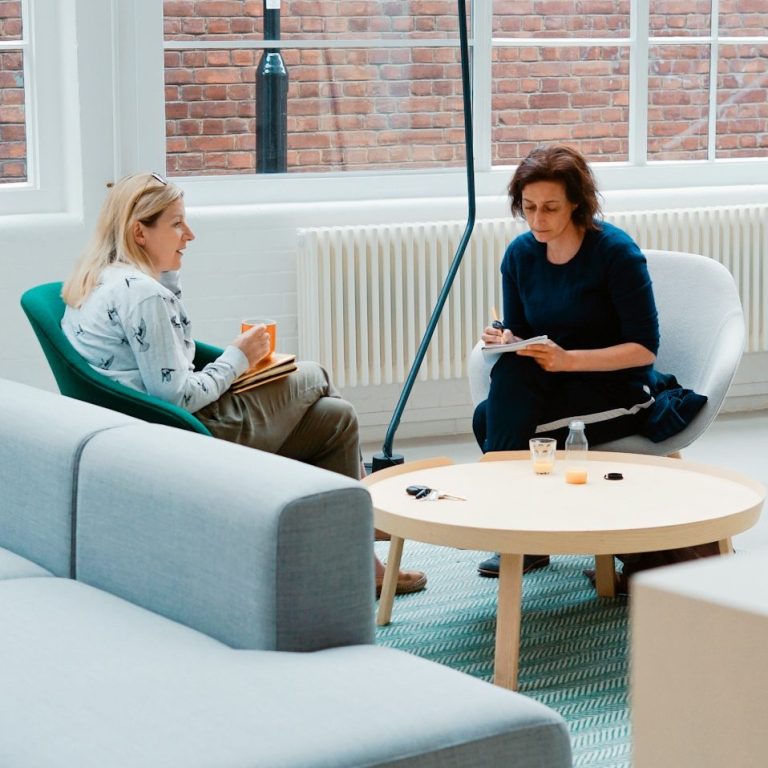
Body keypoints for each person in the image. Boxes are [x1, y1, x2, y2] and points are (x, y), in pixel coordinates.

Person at [61, 171, 426, 597]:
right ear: (139, 232)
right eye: (177, 224)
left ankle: (358, 558)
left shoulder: (103, 279)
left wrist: (171, 281)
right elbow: (176, 395)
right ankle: (367, 518)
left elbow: (167, 365)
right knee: (315, 374)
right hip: (190, 433)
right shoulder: (144, 296)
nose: (190, 234)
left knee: (336, 418)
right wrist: (238, 357)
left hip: (151, 430)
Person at [473, 145, 714, 586]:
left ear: (576, 203)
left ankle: (516, 527)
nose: (537, 219)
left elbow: (644, 349)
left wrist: (568, 360)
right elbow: (523, 333)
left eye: (550, 207)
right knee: (491, 407)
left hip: (618, 389)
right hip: (558, 385)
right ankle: (524, 529)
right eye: (528, 207)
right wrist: (506, 339)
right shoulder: (520, 255)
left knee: (494, 421)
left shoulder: (615, 253)